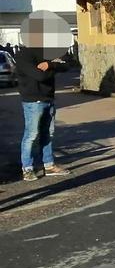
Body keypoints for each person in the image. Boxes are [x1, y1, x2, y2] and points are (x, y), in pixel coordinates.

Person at [15, 45, 71, 181]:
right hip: (33, 101)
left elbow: (67, 63)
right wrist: (55, 67)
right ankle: (27, 168)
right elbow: (39, 75)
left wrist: (49, 64)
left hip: (49, 98)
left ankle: (49, 165)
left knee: (48, 133)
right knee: (31, 135)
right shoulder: (24, 54)